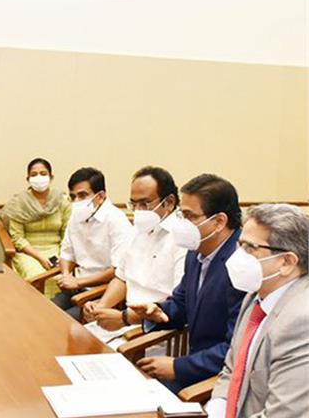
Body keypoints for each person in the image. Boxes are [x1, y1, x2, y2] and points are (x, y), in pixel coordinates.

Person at [205, 204, 308, 418]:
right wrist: (215, 417)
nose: (237, 255)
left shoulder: (301, 320)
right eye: (240, 244)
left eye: (249, 248)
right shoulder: (256, 295)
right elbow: (232, 369)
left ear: (286, 262)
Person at [128, 174, 246, 393]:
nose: (182, 224)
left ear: (219, 222)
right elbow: (181, 303)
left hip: (219, 380)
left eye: (189, 216)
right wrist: (157, 311)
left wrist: (178, 367)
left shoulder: (241, 266)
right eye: (181, 215)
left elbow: (237, 348)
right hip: (194, 366)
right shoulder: (196, 252)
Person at [85, 166, 185, 328]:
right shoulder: (137, 231)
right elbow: (121, 279)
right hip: (124, 320)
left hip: (155, 329)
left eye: (144, 204)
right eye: (134, 204)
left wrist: (123, 318)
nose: (138, 211)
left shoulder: (182, 239)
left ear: (169, 202)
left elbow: (177, 304)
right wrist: (101, 308)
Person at [52, 167, 133, 314]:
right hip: (75, 287)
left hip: (104, 294)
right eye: (73, 196)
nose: (76, 201)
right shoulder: (76, 217)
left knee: (62, 326)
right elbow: (66, 254)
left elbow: (117, 271)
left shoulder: (117, 221)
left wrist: (77, 282)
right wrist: (65, 275)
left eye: (82, 195)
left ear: (100, 196)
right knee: (42, 313)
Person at [0, 158, 71, 297]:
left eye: (43, 173)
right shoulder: (18, 203)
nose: (39, 177)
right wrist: (39, 258)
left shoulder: (62, 200)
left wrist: (63, 257)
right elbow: (17, 238)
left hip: (58, 251)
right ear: (28, 178)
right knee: (37, 276)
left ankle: (58, 315)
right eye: (34, 174)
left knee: (62, 276)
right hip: (29, 253)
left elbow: (68, 233)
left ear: (51, 176)